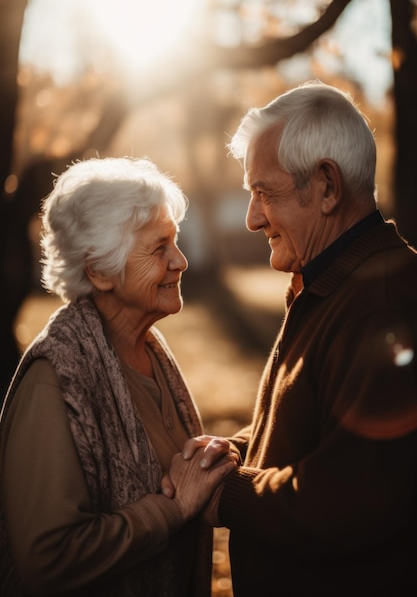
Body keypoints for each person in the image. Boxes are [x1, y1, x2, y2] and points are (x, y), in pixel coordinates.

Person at [169, 81, 417, 595]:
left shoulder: (380, 304)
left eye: (264, 192)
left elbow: (350, 498)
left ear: (326, 186)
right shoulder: (337, 283)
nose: (252, 218)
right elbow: (322, 432)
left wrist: (225, 494)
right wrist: (237, 449)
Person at [0, 156, 237, 597]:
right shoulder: (56, 378)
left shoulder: (149, 349)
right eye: (159, 247)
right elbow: (49, 560)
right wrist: (172, 509)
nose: (181, 261)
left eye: (176, 241)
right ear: (99, 270)